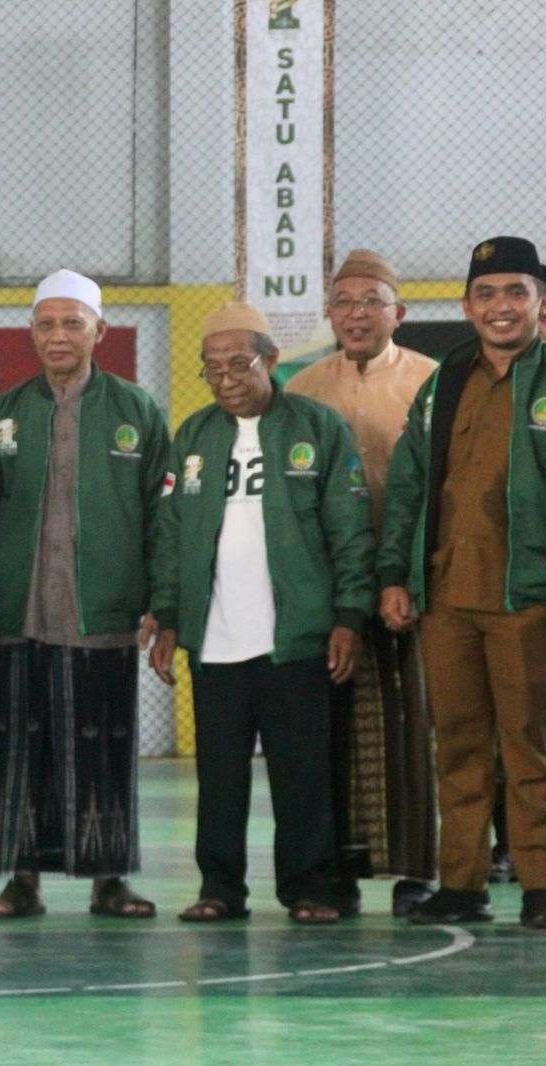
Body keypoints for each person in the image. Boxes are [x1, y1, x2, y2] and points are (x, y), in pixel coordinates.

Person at [0, 269, 169, 920]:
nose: (59, 335)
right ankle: (23, 880)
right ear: (31, 333)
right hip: (23, 614)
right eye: (46, 323)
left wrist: (162, 603)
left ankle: (109, 879)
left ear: (100, 330)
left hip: (104, 613)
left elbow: (163, 518)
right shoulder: (6, 415)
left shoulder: (136, 411)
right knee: (23, 750)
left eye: (73, 322)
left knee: (106, 743)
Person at [150, 301, 372, 925]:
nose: (224, 379)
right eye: (211, 368)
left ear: (271, 362)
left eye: (238, 365)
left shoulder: (317, 428)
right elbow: (169, 531)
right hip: (215, 640)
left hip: (296, 636)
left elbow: (350, 527)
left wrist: (349, 615)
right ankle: (220, 888)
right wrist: (168, 616)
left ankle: (310, 888)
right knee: (218, 779)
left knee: (302, 773)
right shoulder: (193, 436)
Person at [379, 236, 546, 929]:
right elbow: (410, 483)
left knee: (532, 742)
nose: (500, 307)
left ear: (541, 302)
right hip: (446, 597)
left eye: (516, 292)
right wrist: (395, 575)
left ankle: (540, 882)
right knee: (458, 742)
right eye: (486, 294)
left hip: (527, 595)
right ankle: (463, 883)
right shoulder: (444, 380)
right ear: (466, 305)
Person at [287, 250, 439, 917]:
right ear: (330, 312)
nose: (356, 314)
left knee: (413, 724)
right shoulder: (302, 389)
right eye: (343, 302)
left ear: (397, 313)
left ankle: (418, 872)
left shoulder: (434, 382)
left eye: (371, 301)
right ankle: (339, 868)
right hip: (332, 590)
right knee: (334, 731)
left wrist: (405, 574)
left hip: (412, 582)